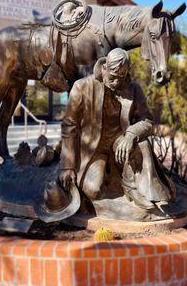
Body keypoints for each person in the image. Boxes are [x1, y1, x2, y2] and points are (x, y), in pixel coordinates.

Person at [59, 48, 175, 210]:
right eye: (113, 78)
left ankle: (135, 188)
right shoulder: (83, 86)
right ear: (104, 68)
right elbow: (69, 125)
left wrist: (130, 135)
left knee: (143, 145)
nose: (116, 83)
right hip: (93, 148)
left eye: (121, 78)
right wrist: (67, 166)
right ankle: (110, 177)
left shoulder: (133, 88)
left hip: (120, 142)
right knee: (93, 191)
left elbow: (147, 120)